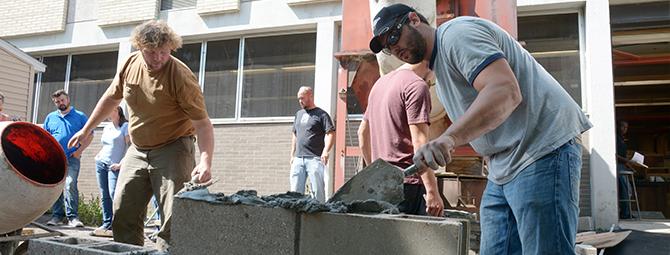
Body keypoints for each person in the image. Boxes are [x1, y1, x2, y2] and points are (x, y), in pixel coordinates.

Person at [368, 4, 592, 254]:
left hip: (541, 149)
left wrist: (449, 139)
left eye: (394, 35)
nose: (394, 48)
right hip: (503, 166)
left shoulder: (456, 35)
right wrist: (435, 144)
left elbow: (505, 91)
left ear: (414, 19)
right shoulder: (440, 75)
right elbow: (478, 121)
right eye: (387, 46)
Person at [68, 20, 214, 251]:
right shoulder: (130, 64)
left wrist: (205, 160)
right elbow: (111, 98)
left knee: (173, 216)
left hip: (173, 147)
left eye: (163, 53)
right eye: (151, 52)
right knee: (123, 211)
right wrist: (86, 129)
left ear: (171, 48)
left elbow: (203, 124)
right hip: (137, 149)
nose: (157, 58)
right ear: (139, 48)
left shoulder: (180, 76)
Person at [358, 62, 444, 217]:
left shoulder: (379, 85)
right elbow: (420, 143)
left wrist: (375, 171)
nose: (430, 84)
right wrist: (432, 192)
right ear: (430, 65)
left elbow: (362, 133)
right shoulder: (416, 85)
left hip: (382, 184)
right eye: (432, 82)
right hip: (409, 187)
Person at [44, 89, 93, 228]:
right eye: (57, 101)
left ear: (68, 99)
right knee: (56, 186)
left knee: (70, 184)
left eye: (62, 100)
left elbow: (90, 135)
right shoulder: (50, 117)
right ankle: (57, 216)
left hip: (72, 158)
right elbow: (46, 138)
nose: (60, 103)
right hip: (55, 159)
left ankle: (73, 217)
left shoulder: (80, 116)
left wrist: (79, 152)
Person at [289, 86, 335, 202]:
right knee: (295, 192)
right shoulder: (298, 114)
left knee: (317, 191)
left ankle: (320, 215)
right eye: (299, 99)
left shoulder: (322, 115)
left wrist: (326, 151)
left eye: (302, 98)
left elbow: (331, 133)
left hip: (314, 158)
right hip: (298, 158)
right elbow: (295, 134)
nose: (300, 101)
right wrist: (292, 154)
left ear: (310, 95)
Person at [90, 106, 129, 237]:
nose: (106, 113)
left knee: (114, 194)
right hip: (101, 162)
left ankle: (119, 224)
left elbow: (130, 147)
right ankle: (107, 223)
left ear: (117, 111)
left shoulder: (125, 127)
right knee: (104, 194)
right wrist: (98, 157)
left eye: (109, 110)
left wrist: (120, 164)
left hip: (115, 166)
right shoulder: (107, 127)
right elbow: (106, 145)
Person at [616, 120, 634, 219]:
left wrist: (629, 164)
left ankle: (626, 212)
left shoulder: (622, 139)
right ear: (618, 126)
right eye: (622, 126)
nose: (624, 129)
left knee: (627, 190)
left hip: (622, 165)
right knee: (625, 189)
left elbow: (622, 155)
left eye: (626, 127)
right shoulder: (615, 138)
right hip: (618, 166)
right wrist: (626, 160)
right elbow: (614, 154)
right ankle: (625, 213)